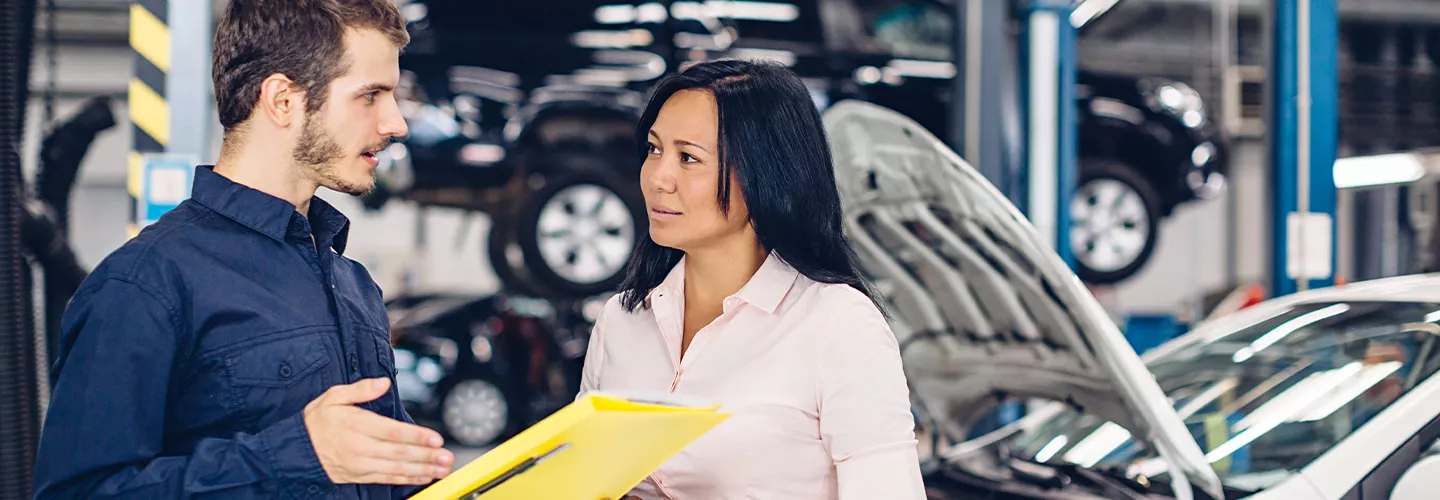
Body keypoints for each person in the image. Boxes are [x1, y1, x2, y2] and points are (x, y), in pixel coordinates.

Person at [32, 1, 455, 498]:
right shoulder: (146, 285)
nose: (396, 123)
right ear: (282, 100)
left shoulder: (353, 285)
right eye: (372, 95)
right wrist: (294, 456)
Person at [578, 59, 927, 499]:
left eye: (689, 158)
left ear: (766, 174)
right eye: (654, 149)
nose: (658, 178)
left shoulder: (838, 325)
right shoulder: (622, 320)